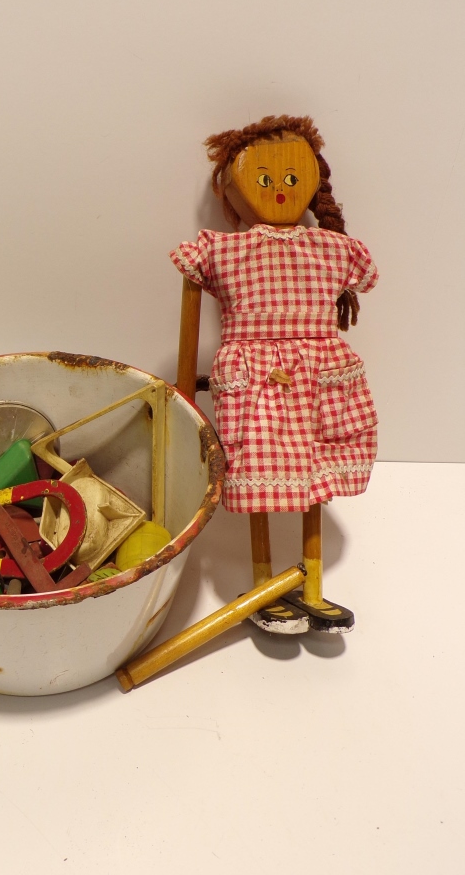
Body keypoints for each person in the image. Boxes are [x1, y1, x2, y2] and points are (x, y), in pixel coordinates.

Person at [170, 115, 378, 633]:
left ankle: (313, 587)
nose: (280, 189)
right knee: (255, 471)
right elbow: (189, 314)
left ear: (312, 181)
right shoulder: (220, 250)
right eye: (263, 179)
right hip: (255, 376)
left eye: (291, 178)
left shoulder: (335, 249)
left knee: (318, 469)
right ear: (233, 188)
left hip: (320, 373)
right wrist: (183, 386)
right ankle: (265, 584)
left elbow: (366, 279)